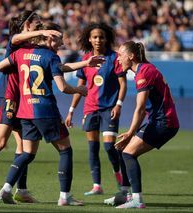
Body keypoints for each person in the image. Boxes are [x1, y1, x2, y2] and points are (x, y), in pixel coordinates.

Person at [0, 10, 61, 203]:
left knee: (23, 147)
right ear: (27, 24)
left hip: (23, 100)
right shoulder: (16, 42)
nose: (40, 26)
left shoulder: (31, 47)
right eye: (36, 23)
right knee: (1, 141)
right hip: (7, 96)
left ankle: (22, 190)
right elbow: (16, 37)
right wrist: (41, 34)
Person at [0, 22, 87, 206]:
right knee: (65, 150)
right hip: (45, 109)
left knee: (27, 153)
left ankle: (6, 189)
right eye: (60, 37)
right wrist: (79, 89)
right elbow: (62, 87)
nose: (62, 41)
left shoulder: (21, 52)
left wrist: (85, 63)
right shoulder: (51, 56)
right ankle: (64, 196)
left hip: (25, 111)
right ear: (50, 37)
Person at [113, 41, 179, 209]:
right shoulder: (144, 69)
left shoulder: (144, 72)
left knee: (128, 153)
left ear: (131, 56)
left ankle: (137, 200)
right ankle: (126, 195)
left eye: (121, 55)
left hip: (164, 122)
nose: (118, 59)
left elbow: (140, 109)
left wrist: (130, 132)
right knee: (123, 149)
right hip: (159, 121)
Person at [65, 22, 128, 196]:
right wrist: (71, 110)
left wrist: (119, 104)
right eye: (95, 37)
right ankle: (97, 186)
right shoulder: (85, 59)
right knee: (93, 148)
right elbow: (80, 87)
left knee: (109, 147)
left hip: (109, 109)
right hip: (90, 109)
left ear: (107, 38)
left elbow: (123, 85)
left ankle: (121, 180)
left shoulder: (115, 58)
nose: (98, 40)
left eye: (101, 36)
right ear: (89, 39)